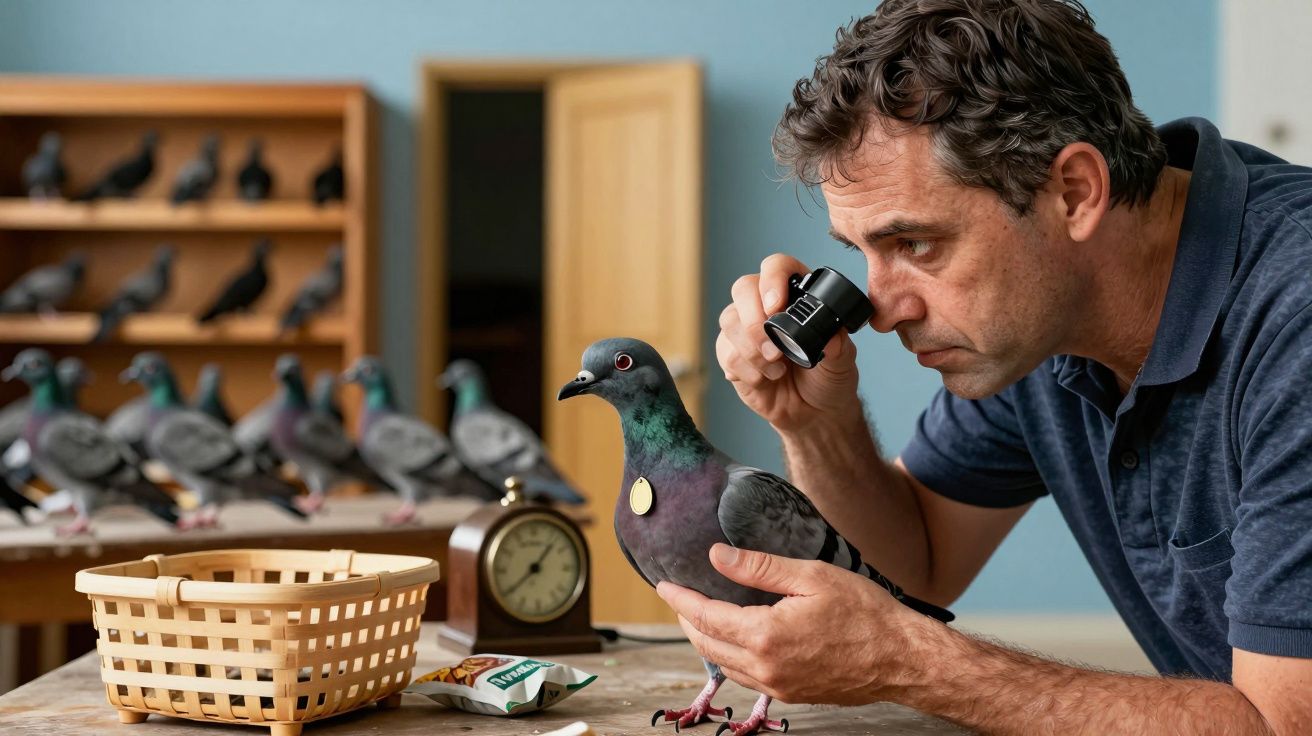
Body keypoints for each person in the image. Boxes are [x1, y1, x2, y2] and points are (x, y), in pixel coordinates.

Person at [656, 0, 1312, 732]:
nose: (882, 311)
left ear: (1074, 193)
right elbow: (919, 561)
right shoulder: (1045, 320)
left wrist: (907, 661)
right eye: (861, 253)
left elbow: (1285, 726)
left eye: (916, 244)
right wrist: (816, 424)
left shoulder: (1297, 315)